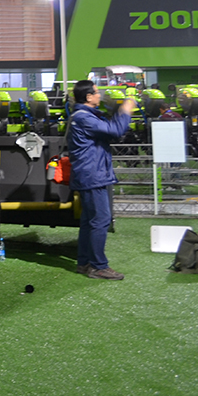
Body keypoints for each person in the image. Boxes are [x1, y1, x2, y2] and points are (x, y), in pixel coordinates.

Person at [68, 80, 136, 280]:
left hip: (90, 174)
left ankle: (84, 263)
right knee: (101, 219)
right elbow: (114, 131)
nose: (100, 95)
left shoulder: (83, 116)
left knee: (89, 221)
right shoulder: (84, 118)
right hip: (93, 176)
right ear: (88, 97)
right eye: (97, 92)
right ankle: (98, 266)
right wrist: (125, 110)